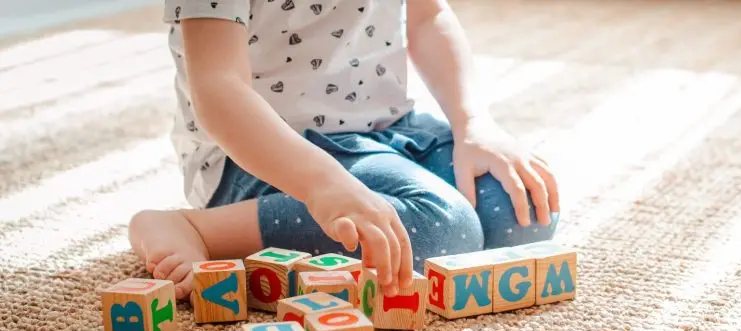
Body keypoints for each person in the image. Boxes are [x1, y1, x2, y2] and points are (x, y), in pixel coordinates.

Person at [128, 0, 560, 300]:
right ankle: (200, 228)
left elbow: (429, 18)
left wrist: (473, 124)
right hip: (270, 156)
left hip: (387, 132)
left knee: (519, 210)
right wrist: (322, 184)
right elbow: (219, 88)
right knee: (446, 231)